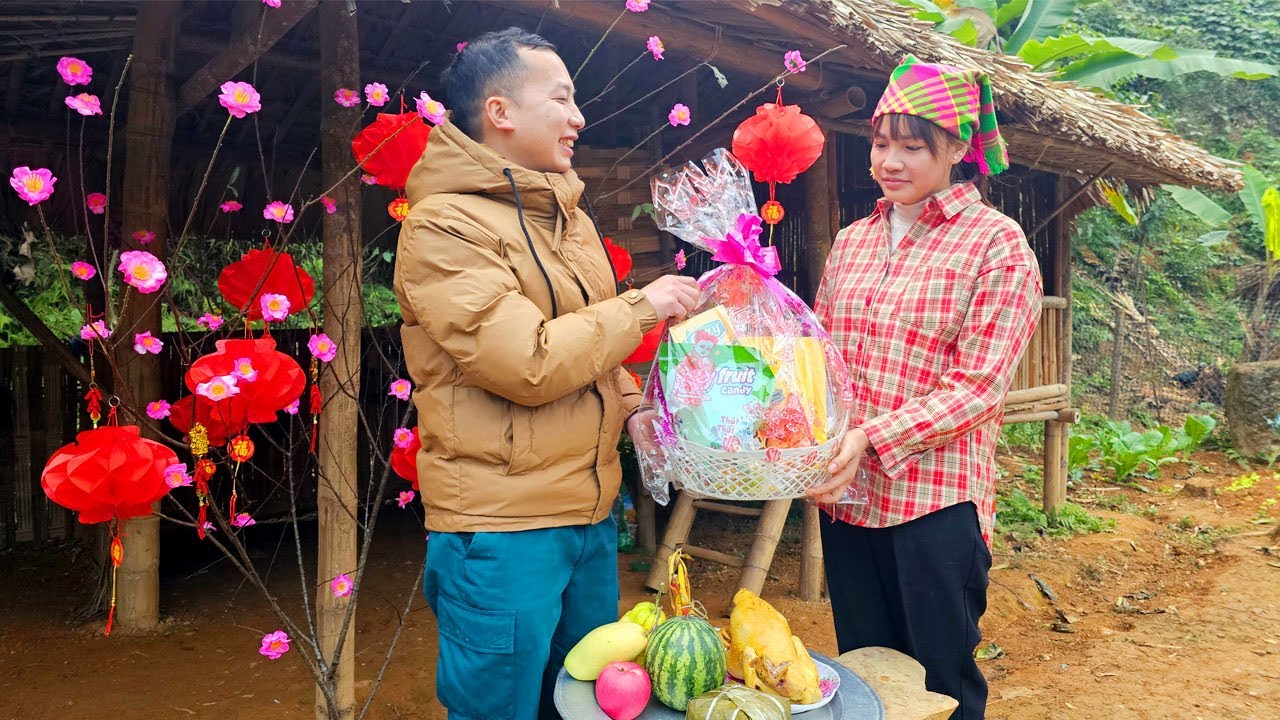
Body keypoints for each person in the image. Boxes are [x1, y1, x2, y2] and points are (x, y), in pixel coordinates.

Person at [392, 27, 700, 720]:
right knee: (500, 707)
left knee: (586, 701)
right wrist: (641, 305)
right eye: (561, 98)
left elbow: (592, 352)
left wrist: (636, 408)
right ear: (500, 112)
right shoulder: (443, 227)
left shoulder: (570, 218)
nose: (578, 117)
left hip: (588, 516)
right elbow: (524, 361)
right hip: (504, 529)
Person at [806, 55, 1044, 719]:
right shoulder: (852, 243)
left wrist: (870, 436)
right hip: (848, 499)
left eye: (913, 146)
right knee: (865, 672)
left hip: (935, 505)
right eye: (882, 143)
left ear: (957, 150)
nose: (890, 160)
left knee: (940, 684)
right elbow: (822, 359)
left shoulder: (997, 245)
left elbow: (979, 387)